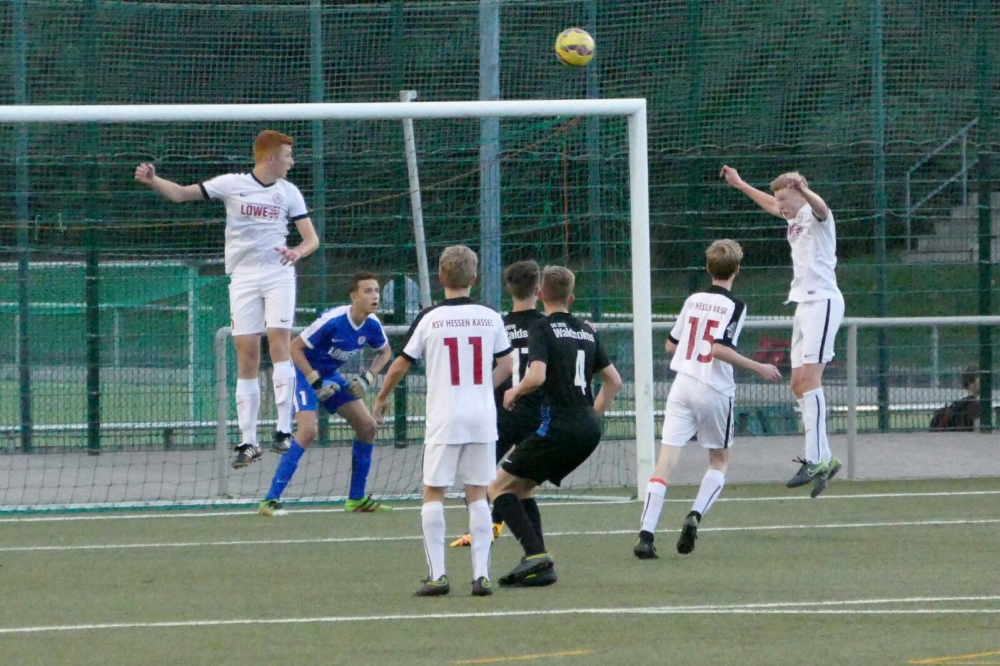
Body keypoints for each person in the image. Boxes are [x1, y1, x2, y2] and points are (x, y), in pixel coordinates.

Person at [135, 130, 319, 469]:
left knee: (279, 343)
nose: (292, 162)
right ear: (270, 158)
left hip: (278, 274)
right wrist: (153, 180)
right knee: (246, 354)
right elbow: (180, 194)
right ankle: (248, 442)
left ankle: (283, 430)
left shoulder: (289, 192)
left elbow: (311, 239)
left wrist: (297, 251)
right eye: (288, 156)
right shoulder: (232, 184)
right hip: (243, 278)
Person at [373, 246, 513, 598]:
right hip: (481, 417)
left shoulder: (430, 318)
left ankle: (438, 575)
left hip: (445, 417)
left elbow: (401, 363)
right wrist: (482, 389)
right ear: (475, 277)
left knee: (433, 491)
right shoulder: (491, 316)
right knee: (477, 493)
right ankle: (481, 576)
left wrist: (381, 396)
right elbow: (508, 365)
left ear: (440, 278)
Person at [633, 240, 781, 560]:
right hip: (714, 389)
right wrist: (759, 367)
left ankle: (646, 535)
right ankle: (695, 514)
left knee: (664, 463)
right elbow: (718, 349)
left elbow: (671, 346)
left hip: (682, 385)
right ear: (737, 270)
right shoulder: (735, 306)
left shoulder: (693, 299)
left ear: (707, 267)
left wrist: (693, 345)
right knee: (718, 461)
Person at [489, 266, 623, 588]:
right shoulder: (587, 330)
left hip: (558, 428)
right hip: (589, 429)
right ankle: (538, 562)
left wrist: (515, 390)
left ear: (539, 294)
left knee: (495, 488)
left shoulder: (541, 327)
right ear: (571, 297)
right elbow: (614, 382)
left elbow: (536, 377)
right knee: (522, 487)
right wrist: (591, 415)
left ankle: (535, 555)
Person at [720, 166, 845, 498]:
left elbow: (820, 206)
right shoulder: (793, 218)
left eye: (785, 199)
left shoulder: (817, 215)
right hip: (803, 305)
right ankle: (825, 458)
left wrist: (802, 190)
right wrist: (740, 183)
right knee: (797, 383)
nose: (780, 206)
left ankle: (816, 459)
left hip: (823, 302)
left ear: (799, 194)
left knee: (811, 380)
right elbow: (771, 204)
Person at [257, 272, 393, 516]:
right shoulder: (333, 321)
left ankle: (356, 499)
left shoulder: (372, 325)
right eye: (368, 291)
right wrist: (316, 381)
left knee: (368, 427)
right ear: (354, 296)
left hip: (329, 375)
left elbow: (386, 352)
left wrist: (367, 378)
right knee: (308, 431)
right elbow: (294, 348)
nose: (375, 296)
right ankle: (270, 501)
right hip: (301, 373)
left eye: (377, 291)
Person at [450, 260, 545, 548]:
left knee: (478, 480)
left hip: (500, 413)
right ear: (538, 290)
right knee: (521, 486)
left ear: (508, 288)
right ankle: (517, 536)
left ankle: (485, 528)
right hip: (537, 415)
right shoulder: (546, 326)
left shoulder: (496, 325)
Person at [929, 367, 982, 432]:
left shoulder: (958, 404)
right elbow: (977, 430)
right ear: (971, 384)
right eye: (981, 381)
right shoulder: (973, 405)